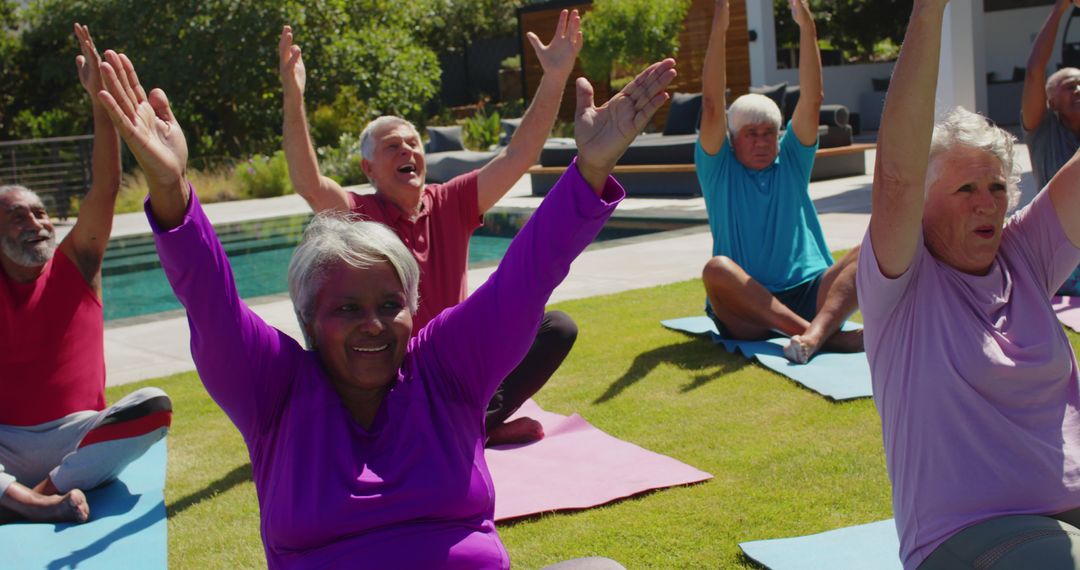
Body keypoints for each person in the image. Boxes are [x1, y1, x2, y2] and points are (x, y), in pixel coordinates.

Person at [96, 34, 675, 567]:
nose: (372, 324)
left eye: (389, 304)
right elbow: (211, 301)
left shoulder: (444, 367)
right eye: (346, 308)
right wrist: (171, 188)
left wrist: (591, 169)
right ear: (308, 320)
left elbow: (527, 276)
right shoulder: (275, 390)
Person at [278, 11, 583, 445]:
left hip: (454, 359)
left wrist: (554, 77)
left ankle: (475, 425)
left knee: (557, 328)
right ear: (368, 168)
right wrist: (294, 94)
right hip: (389, 368)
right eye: (392, 146)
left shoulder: (452, 201)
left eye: (413, 143)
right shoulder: (359, 212)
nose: (407, 150)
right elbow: (309, 183)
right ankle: (463, 425)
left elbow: (518, 155)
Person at [860, 1, 1080, 568]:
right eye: (966, 190)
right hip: (973, 534)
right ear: (925, 203)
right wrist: (930, 11)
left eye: (998, 188)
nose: (988, 204)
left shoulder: (1025, 254)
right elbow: (897, 176)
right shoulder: (902, 287)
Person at [0, 25, 171, 525]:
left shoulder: (77, 261)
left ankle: (36, 494)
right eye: (17, 217)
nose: (36, 223)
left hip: (79, 434)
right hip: (4, 439)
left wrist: (100, 101)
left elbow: (106, 184)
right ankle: (36, 500)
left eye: (40, 213)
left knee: (153, 406)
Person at [696, 0, 861, 364]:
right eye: (750, 134)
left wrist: (807, 29)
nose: (761, 142)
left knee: (872, 249)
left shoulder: (790, 162)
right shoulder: (719, 170)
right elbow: (711, 104)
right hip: (747, 308)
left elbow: (812, 100)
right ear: (733, 138)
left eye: (769, 133)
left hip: (810, 292)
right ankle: (826, 337)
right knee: (716, 270)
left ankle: (812, 335)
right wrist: (720, 30)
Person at [1023, 0, 1080, 295]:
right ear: (1051, 102)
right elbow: (1035, 70)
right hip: (1063, 251)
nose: (1079, 90)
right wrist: (1061, 8)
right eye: (1070, 86)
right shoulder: (1043, 132)